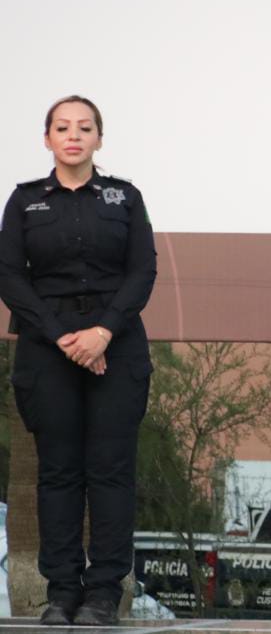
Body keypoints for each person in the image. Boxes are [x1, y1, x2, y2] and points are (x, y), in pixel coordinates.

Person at [0, 95, 157, 627]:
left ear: (99, 139)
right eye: (63, 128)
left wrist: (102, 333)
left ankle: (103, 594)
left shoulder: (125, 198)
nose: (74, 136)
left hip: (117, 344)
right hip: (48, 349)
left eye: (84, 128)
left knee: (111, 474)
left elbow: (143, 271)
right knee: (58, 474)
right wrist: (64, 338)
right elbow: (10, 276)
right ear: (47, 138)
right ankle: (62, 593)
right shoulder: (24, 201)